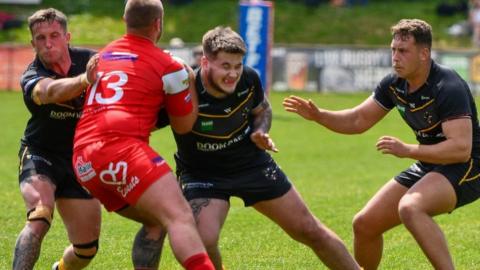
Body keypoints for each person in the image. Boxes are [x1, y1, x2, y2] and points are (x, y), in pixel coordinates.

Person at [283, 18, 480, 270]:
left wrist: (408, 150)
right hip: (432, 162)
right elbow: (358, 120)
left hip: (468, 165)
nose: (395, 57)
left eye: (403, 51)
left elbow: (460, 149)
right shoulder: (394, 84)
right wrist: (319, 115)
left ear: (424, 54)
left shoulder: (447, 85)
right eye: (393, 50)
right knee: (364, 224)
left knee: (411, 207)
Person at [168, 26, 360, 270]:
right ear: (205, 62)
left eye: (237, 66)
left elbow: (263, 110)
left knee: (310, 230)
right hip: (203, 175)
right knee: (202, 241)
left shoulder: (248, 78)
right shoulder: (184, 89)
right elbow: (150, 121)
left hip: (251, 165)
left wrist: (261, 131)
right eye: (225, 66)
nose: (233, 74)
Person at [72, 0, 214, 269]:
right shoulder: (169, 65)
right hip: (121, 151)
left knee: (155, 221)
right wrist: (190, 82)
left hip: (83, 161)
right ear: (158, 25)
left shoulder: (104, 54)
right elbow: (183, 125)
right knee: (180, 215)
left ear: (125, 21)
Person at [13, 8, 101, 270]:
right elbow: (50, 92)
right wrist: (86, 80)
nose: (48, 43)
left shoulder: (91, 59)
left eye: (54, 35)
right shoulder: (32, 74)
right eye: (40, 38)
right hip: (41, 154)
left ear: (67, 37)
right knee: (40, 216)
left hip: (80, 161)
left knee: (86, 250)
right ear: (32, 44)